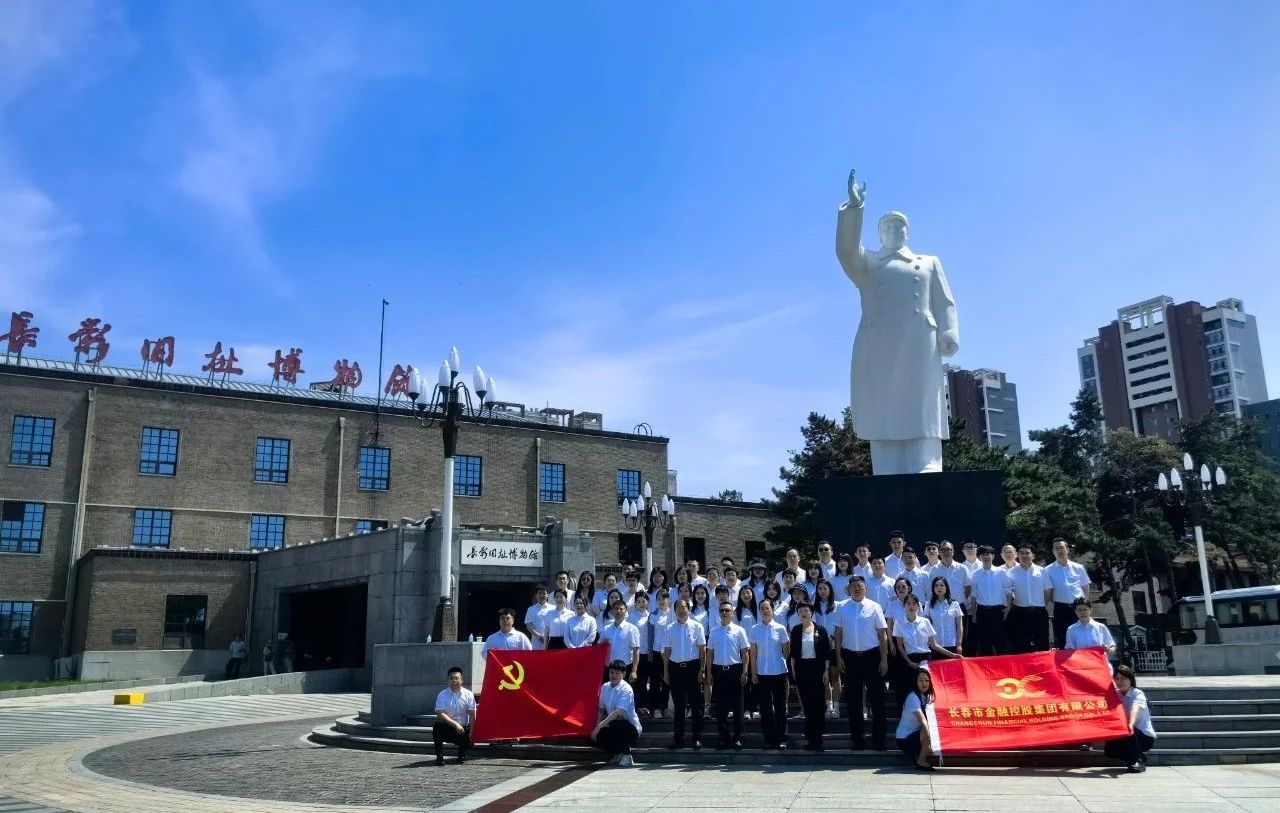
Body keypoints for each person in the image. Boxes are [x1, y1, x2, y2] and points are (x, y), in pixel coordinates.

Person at [835, 575, 889, 750]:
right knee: (853, 701)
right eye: (854, 586)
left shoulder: (875, 607)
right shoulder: (842, 607)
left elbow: (883, 635)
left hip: (872, 657)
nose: (857, 589)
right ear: (849, 589)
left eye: (860, 586)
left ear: (866, 588)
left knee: (877, 700)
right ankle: (857, 740)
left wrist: (884, 659)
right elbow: (838, 635)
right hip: (850, 657)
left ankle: (878, 740)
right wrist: (838, 657)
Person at [662, 598, 708, 750]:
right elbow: (667, 651)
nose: (681, 610)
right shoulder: (669, 628)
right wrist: (666, 671)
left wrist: (702, 669)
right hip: (675, 669)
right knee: (679, 706)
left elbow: (702, 650)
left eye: (684, 607)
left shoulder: (697, 626)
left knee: (696, 705)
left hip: (693, 668)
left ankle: (697, 738)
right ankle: (678, 739)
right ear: (674, 610)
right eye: (678, 608)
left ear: (689, 609)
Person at [707, 600, 751, 750]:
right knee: (721, 708)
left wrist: (745, 671)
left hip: (735, 670)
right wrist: (709, 672)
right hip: (719, 671)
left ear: (732, 612)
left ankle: (738, 738)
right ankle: (724, 739)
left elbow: (745, 653)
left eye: (727, 610)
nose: (724, 613)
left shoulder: (739, 630)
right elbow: (710, 653)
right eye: (722, 611)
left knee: (738, 707)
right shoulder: (713, 631)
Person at [789, 602, 832, 751]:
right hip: (802, 670)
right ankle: (810, 739)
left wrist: (826, 670)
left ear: (811, 612)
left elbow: (827, 652)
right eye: (800, 611)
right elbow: (793, 654)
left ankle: (818, 739)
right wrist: (794, 672)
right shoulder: (795, 630)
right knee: (807, 706)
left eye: (806, 610)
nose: (803, 613)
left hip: (818, 669)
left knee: (818, 705)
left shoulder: (821, 630)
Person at [749, 599, 791, 750]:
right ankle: (769, 739)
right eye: (762, 608)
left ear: (772, 610)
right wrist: (753, 673)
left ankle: (782, 738)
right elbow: (753, 653)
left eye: (767, 608)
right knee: (765, 708)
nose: (765, 610)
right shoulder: (754, 629)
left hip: (779, 672)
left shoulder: (780, 628)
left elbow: (786, 652)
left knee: (780, 707)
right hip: (762, 673)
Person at [1105, 665, 1156, 772]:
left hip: (1143, 736)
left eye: (1123, 678)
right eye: (1117, 678)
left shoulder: (1137, 694)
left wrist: (1130, 724)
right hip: (1126, 734)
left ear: (1131, 680)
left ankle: (1137, 761)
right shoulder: (1116, 694)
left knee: (1128, 730)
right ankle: (1138, 755)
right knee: (1109, 750)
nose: (1120, 681)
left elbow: (1135, 709)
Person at [592, 659, 642, 767]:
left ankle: (627, 755)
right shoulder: (605, 687)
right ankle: (618, 753)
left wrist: (600, 726)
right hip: (613, 725)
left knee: (617, 723)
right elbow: (601, 710)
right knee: (594, 737)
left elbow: (618, 713)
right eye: (611, 672)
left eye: (617, 673)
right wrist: (596, 728)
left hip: (630, 728)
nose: (613, 675)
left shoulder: (626, 689)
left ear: (623, 674)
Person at [1045, 538, 1093, 649]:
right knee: (1063, 638)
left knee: (1082, 637)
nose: (1059, 550)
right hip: (1060, 608)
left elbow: (1085, 586)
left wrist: (1084, 605)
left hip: (1078, 608)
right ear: (1053, 551)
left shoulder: (1078, 567)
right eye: (1056, 548)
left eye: (1062, 547)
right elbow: (1049, 591)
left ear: (1067, 549)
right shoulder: (1047, 570)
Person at [1008, 544, 1052, 653]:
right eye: (1021, 553)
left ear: (1033, 555)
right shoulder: (1011, 572)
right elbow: (1009, 593)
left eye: (1027, 553)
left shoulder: (1042, 571)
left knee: (1042, 643)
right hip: (1020, 612)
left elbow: (1048, 592)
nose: (1024, 555)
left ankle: (1043, 669)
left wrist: (1042, 604)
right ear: (1017, 555)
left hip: (1039, 612)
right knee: (1020, 644)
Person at [970, 545, 1012, 656]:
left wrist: (1007, 609)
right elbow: (973, 596)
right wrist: (974, 614)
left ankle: (1003, 670)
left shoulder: (1001, 572)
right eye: (983, 554)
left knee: (1001, 643)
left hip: (998, 612)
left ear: (993, 556)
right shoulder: (975, 574)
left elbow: (1008, 592)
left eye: (988, 554)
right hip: (982, 612)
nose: (986, 556)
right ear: (979, 557)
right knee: (985, 644)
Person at [432, 666, 477, 765]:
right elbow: (440, 713)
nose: (454, 681)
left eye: (456, 678)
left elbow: (473, 714)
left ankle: (462, 755)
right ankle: (439, 757)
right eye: (451, 678)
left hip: (463, 729)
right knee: (437, 726)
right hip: (449, 727)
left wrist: (472, 733)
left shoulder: (468, 694)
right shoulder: (442, 694)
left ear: (462, 680)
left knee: (469, 732)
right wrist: (455, 724)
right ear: (448, 680)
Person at [896, 666, 936, 771]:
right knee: (927, 728)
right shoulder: (912, 697)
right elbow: (922, 720)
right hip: (905, 739)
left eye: (927, 680)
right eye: (921, 680)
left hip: (916, 735)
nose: (924, 683)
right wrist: (929, 738)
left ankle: (921, 752)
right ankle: (921, 761)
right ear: (916, 682)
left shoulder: (927, 696)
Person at [812, 579, 842, 719]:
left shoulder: (837, 606)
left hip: (834, 645)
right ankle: (828, 707)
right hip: (820, 647)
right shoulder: (814, 607)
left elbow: (840, 625)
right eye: (820, 589)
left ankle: (836, 708)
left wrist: (835, 639)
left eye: (825, 588)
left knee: (835, 677)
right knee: (824, 678)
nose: (822, 591)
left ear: (830, 590)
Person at [648, 590, 674, 718]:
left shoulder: (673, 613)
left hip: (669, 652)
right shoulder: (653, 615)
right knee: (654, 681)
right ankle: (656, 708)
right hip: (657, 651)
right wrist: (650, 651)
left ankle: (665, 707)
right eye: (659, 598)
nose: (662, 600)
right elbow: (650, 635)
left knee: (667, 681)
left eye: (664, 598)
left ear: (668, 600)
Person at [600, 601, 640, 682]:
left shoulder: (632, 629)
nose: (618, 611)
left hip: (624, 669)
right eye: (616, 609)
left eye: (621, 609)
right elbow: (599, 648)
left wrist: (634, 671)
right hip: (609, 669)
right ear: (611, 611)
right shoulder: (606, 629)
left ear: (626, 611)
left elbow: (636, 652)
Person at [627, 592, 652, 715]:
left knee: (647, 680)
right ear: (635, 604)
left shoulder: (651, 616)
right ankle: (637, 706)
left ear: (648, 602)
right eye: (639, 602)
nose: (642, 604)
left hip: (649, 653)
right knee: (637, 681)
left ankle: (647, 705)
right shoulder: (631, 617)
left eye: (644, 601)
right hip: (636, 653)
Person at [927, 577, 965, 654]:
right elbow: (926, 626)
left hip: (951, 644)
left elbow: (959, 626)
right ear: (933, 588)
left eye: (942, 585)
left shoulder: (954, 604)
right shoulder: (929, 604)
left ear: (946, 587)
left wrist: (959, 644)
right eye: (936, 585)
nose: (939, 588)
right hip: (935, 645)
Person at [524, 586, 554, 650]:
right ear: (536, 595)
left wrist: (547, 637)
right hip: (536, 640)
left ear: (548, 595)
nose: (542, 595)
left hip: (551, 639)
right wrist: (539, 636)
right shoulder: (531, 609)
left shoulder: (553, 608)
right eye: (540, 593)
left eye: (544, 593)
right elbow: (528, 625)